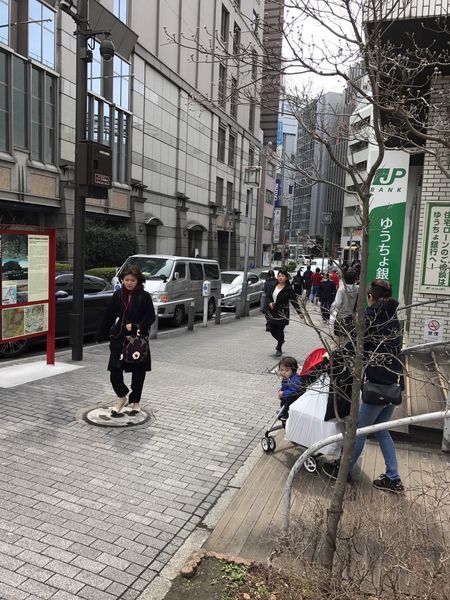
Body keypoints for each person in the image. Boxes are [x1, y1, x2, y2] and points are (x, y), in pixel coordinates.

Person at [323, 279, 404, 494]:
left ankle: (345, 471)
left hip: (377, 384)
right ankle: (393, 478)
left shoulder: (371, 316)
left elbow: (356, 345)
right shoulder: (394, 317)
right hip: (395, 382)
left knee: (358, 431)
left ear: (370, 297)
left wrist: (334, 354)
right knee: (382, 430)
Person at [96, 265, 156, 416]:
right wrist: (100, 334)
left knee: (138, 371)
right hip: (119, 338)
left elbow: (150, 317)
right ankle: (121, 397)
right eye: (126, 279)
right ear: (122, 280)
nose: (129, 283)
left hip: (137, 339)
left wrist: (135, 326)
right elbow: (109, 315)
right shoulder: (117, 295)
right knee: (114, 370)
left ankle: (135, 402)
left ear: (138, 281)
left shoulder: (145, 296)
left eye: (132, 280)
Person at [265, 269, 299, 357]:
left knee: (280, 331)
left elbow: (294, 301)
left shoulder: (288, 289)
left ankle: (279, 348)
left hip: (282, 313)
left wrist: (300, 313)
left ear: (286, 278)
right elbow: (268, 296)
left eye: (282, 276)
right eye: (279, 276)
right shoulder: (273, 286)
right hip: (272, 311)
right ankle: (281, 341)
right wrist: (269, 303)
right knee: (271, 329)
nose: (280, 277)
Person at [330, 269, 358, 339]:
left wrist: (332, 308)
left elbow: (337, 303)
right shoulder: (358, 289)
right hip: (353, 317)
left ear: (344, 279)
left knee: (340, 338)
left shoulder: (341, 290)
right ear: (355, 279)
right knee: (350, 338)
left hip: (342, 317)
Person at [277, 356, 303, 420]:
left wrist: (283, 393)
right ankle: (283, 412)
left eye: (287, 370)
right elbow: (285, 386)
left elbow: (293, 390)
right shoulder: (287, 378)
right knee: (284, 404)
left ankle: (285, 415)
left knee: (286, 405)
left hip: (291, 400)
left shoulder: (295, 380)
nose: (283, 372)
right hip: (286, 398)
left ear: (293, 370)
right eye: (281, 370)